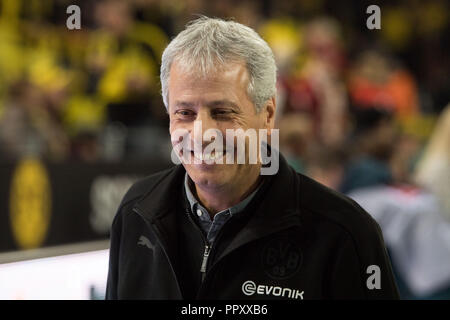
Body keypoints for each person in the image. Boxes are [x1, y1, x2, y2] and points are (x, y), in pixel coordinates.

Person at [105, 16, 399, 300]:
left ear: (268, 115)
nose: (202, 133)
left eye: (222, 113)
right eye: (185, 113)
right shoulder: (136, 212)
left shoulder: (344, 233)